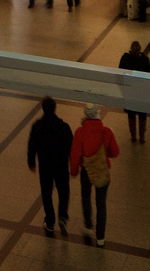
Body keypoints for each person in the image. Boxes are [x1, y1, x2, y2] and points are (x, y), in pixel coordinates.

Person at [69, 104, 119, 248]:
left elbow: (75, 154)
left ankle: (88, 225)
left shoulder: (80, 132)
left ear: (85, 115)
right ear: (97, 114)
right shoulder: (106, 132)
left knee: (86, 197)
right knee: (101, 203)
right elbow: (115, 152)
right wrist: (103, 156)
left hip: (86, 171)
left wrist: (73, 171)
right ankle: (100, 237)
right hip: (102, 171)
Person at [27, 96, 73, 237]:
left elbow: (32, 145)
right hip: (61, 164)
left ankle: (50, 221)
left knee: (46, 193)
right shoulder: (64, 127)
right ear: (55, 108)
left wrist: (31, 162)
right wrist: (74, 163)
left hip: (45, 164)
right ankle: (63, 216)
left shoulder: (37, 126)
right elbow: (71, 146)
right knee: (63, 190)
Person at [118, 40, 150, 144]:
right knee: (142, 115)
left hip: (130, 90)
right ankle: (142, 137)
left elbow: (120, 73)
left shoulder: (125, 59)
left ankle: (133, 135)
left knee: (131, 114)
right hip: (141, 91)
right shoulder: (145, 60)